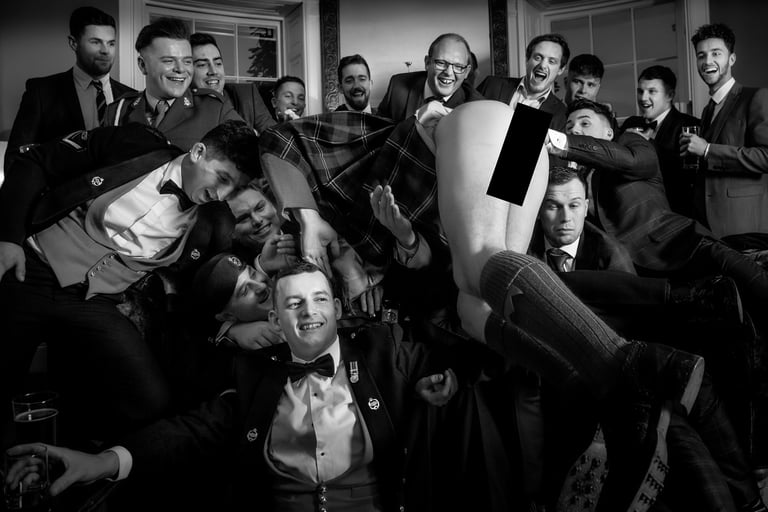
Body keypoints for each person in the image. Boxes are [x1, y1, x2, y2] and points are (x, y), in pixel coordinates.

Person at [6, 261, 463, 512]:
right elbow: (189, 433)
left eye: (320, 299)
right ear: (276, 319)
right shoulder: (253, 378)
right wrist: (100, 462)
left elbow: (460, 353)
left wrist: (451, 378)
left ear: (338, 307)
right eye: (294, 303)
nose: (309, 312)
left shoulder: (384, 354)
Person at [0, 120, 261, 446]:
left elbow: (206, 291)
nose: (220, 195)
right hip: (32, 272)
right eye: (221, 178)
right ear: (197, 152)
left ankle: (86, 466)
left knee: (150, 401)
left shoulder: (215, 221)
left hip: (97, 303)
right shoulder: (133, 144)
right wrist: (8, 238)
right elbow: (36, 162)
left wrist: (230, 329)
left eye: (232, 188)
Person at [5, 6, 134, 170]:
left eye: (111, 43)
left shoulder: (130, 97)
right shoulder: (41, 92)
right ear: (74, 43)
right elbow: (17, 159)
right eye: (96, 42)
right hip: (61, 193)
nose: (105, 51)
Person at [680, 23, 768, 238]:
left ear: (731, 59)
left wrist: (708, 150)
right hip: (707, 227)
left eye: (715, 53)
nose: (707, 61)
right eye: (701, 55)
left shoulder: (756, 97)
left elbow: (766, 157)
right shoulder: (707, 109)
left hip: (745, 227)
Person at [102, 17, 243, 151]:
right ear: (143, 65)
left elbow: (251, 157)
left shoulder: (215, 108)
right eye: (169, 61)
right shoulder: (118, 111)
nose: (181, 69)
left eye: (187, 61)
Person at [621, 65, 700, 217]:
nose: (643, 98)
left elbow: (688, 178)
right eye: (640, 91)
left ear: (669, 95)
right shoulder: (629, 124)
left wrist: (649, 144)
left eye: (652, 91)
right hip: (636, 212)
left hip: (674, 212)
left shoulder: (689, 125)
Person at [377, 33, 483, 122]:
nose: (449, 72)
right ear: (427, 63)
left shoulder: (477, 108)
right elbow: (376, 133)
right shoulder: (397, 86)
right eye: (441, 63)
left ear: (466, 72)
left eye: (458, 66)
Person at [189, 32, 276, 135]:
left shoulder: (247, 96)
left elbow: (275, 139)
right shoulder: (181, 108)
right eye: (202, 65)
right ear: (188, 70)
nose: (213, 71)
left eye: (218, 64)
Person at [477, 33, 568, 130]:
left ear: (561, 69)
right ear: (527, 60)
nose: (543, 65)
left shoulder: (561, 114)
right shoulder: (492, 84)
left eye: (551, 61)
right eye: (538, 58)